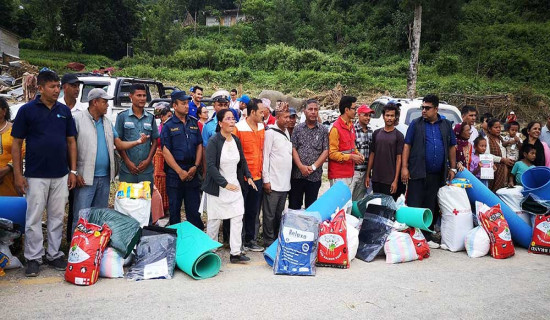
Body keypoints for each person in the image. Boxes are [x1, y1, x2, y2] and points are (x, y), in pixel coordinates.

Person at [11, 70, 78, 277]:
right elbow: (16, 143)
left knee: (57, 217)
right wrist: (18, 174)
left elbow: (71, 141)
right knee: (34, 217)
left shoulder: (64, 111)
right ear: (40, 88)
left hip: (60, 174)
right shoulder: (27, 111)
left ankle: (54, 253)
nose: (57, 90)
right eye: (52, 87)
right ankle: (33, 257)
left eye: (58, 86)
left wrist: (73, 170)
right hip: (35, 174)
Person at [71, 89, 149, 234]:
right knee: (81, 216)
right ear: (95, 102)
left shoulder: (106, 122)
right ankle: (77, 250)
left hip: (105, 177)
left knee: (99, 216)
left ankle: (94, 249)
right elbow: (71, 147)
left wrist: (138, 142)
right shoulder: (78, 120)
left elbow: (118, 144)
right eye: (104, 102)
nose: (107, 105)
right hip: (85, 178)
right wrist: (74, 172)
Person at [401, 94, 457, 245]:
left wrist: (453, 167)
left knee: (431, 204)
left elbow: (452, 146)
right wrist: (404, 168)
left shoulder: (445, 124)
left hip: (436, 174)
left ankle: (427, 236)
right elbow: (407, 145)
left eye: (427, 108)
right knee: (415, 203)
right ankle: (413, 235)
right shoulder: (416, 124)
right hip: (417, 172)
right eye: (422, 108)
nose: (424, 111)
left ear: (436, 109)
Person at [203, 109, 254, 263]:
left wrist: (249, 176)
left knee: (238, 216)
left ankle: (236, 253)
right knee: (214, 220)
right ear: (220, 123)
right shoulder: (214, 141)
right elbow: (210, 166)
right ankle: (209, 251)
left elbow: (242, 161)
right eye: (228, 119)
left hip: (235, 185)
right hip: (217, 187)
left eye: (233, 118)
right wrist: (224, 184)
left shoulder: (236, 140)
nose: (232, 121)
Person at [161, 91, 204, 229]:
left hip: (192, 172)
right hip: (175, 174)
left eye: (187, 103)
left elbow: (199, 145)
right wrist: (179, 171)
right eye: (183, 103)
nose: (187, 106)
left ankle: (195, 242)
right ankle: (176, 243)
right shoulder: (168, 125)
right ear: (175, 105)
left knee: (194, 211)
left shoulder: (193, 122)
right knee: (175, 211)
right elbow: (166, 151)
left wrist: (196, 166)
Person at [233, 98, 265, 251]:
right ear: (252, 112)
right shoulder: (238, 128)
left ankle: (250, 240)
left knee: (253, 210)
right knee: (240, 211)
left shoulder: (262, 127)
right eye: (261, 112)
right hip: (243, 177)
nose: (263, 114)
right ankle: (237, 241)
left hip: (257, 176)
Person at [288, 99, 329, 210]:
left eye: (316, 109)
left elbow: (326, 151)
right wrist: (301, 166)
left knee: (311, 209)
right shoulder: (298, 129)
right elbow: (293, 148)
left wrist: (313, 167)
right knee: (294, 207)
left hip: (314, 177)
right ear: (304, 111)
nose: (313, 112)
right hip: (297, 175)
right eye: (310, 109)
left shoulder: (323, 130)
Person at [115, 84, 159, 184]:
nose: (142, 98)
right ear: (131, 97)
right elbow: (118, 142)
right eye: (138, 95)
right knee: (127, 198)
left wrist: (148, 160)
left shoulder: (151, 118)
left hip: (146, 170)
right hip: (127, 169)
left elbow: (155, 141)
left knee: (146, 198)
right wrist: (127, 162)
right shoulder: (122, 117)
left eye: (144, 95)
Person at [262, 103, 292, 247]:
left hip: (284, 183)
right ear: (277, 117)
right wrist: (266, 180)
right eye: (285, 117)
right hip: (273, 182)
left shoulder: (286, 132)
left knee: (278, 214)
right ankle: (268, 240)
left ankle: (275, 239)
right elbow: (265, 157)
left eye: (289, 117)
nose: (288, 120)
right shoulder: (270, 133)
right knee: (269, 214)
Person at [366, 103, 404, 200]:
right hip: (376, 178)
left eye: (392, 116)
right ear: (383, 116)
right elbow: (372, 154)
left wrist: (395, 180)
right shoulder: (377, 133)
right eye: (387, 115)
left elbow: (399, 159)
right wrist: (367, 175)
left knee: (388, 209)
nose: (389, 118)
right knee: (376, 205)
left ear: (395, 117)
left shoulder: (398, 136)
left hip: (389, 180)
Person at [328, 96, 363, 188]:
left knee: (347, 202)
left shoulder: (351, 126)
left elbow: (351, 147)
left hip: (349, 173)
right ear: (346, 110)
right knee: (339, 202)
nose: (355, 111)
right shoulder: (335, 128)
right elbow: (332, 153)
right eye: (354, 108)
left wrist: (357, 154)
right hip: (338, 175)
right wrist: (351, 157)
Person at [350, 105, 374, 200]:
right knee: (347, 201)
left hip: (365, 173)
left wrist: (368, 174)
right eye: (365, 115)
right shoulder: (352, 129)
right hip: (353, 171)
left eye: (369, 116)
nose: (368, 118)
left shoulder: (371, 131)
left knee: (358, 201)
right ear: (359, 115)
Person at [0, 97, 22, 196]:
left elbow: (23, 152)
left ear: (4, 111)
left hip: (11, 179)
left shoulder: (15, 130)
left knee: (9, 209)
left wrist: (7, 168)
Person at [153, 102, 172, 215]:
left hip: (165, 155)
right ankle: (160, 207)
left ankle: (165, 206)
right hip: (158, 156)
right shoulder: (160, 124)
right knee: (158, 179)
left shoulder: (168, 125)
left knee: (164, 179)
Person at [484, 118, 513, 192]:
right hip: (493, 170)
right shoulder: (486, 140)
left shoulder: (502, 139)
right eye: (496, 127)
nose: (498, 129)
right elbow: (486, 155)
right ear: (489, 129)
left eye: (500, 127)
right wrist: (502, 159)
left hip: (504, 169)